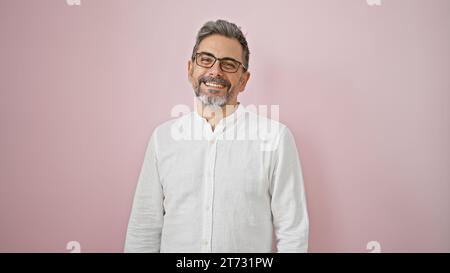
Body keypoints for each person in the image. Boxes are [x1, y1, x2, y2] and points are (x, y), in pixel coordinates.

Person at [124, 19, 309, 252]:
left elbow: (293, 230)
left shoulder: (275, 139)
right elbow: (144, 226)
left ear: (243, 80)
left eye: (229, 64)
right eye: (206, 59)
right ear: (191, 69)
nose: (215, 71)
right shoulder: (163, 139)